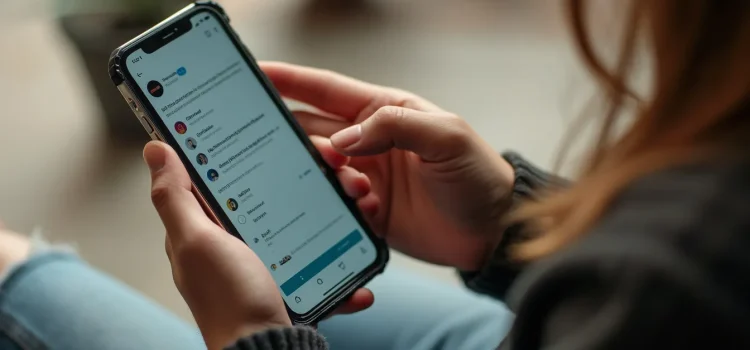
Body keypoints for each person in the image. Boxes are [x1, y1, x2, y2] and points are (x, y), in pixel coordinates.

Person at [0, 0, 748, 349]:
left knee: (11, 269)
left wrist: (253, 339)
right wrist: (509, 228)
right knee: (333, 293)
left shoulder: (671, 276)